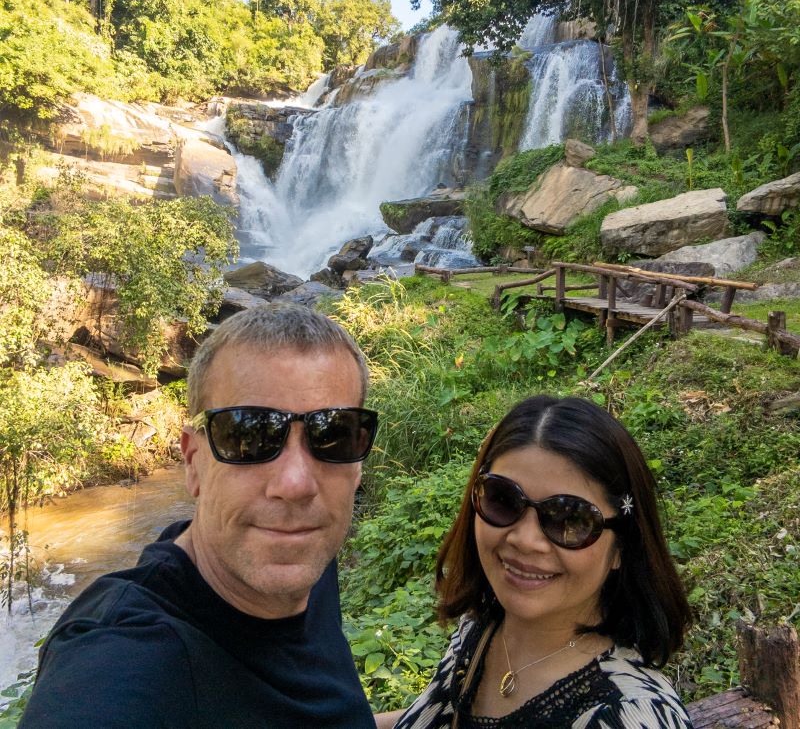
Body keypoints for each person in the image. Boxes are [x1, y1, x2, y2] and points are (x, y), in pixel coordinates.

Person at [20, 303, 381, 729]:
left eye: (332, 435)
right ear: (193, 462)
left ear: (358, 462)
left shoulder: (298, 550)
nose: (295, 484)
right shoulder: (124, 659)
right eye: (249, 436)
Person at [379, 395, 693, 729]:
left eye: (571, 520)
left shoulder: (627, 716)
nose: (525, 540)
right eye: (503, 499)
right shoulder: (485, 626)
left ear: (622, 547)